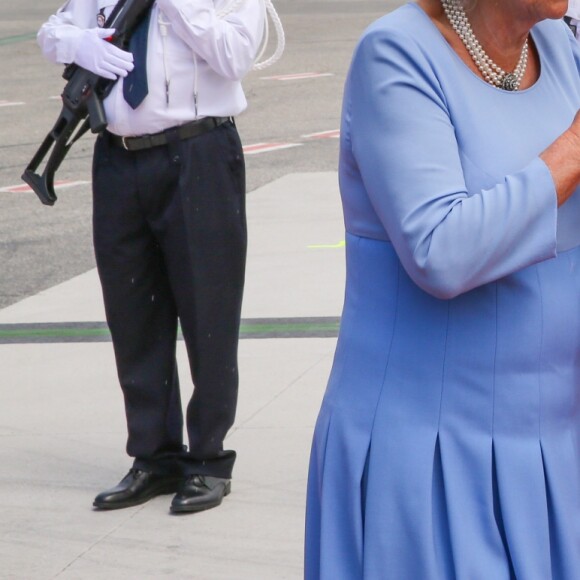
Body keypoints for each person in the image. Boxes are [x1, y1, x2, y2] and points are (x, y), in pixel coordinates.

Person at [305, 0, 580, 577]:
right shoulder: (397, 55)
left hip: (552, 447)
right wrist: (571, 151)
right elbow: (442, 251)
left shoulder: (558, 47)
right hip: (435, 456)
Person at [37, 0, 265, 514]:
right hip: (119, 160)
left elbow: (234, 57)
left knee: (209, 312)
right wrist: (78, 44)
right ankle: (153, 456)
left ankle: (208, 460)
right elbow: (51, 32)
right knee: (133, 315)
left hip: (200, 151)